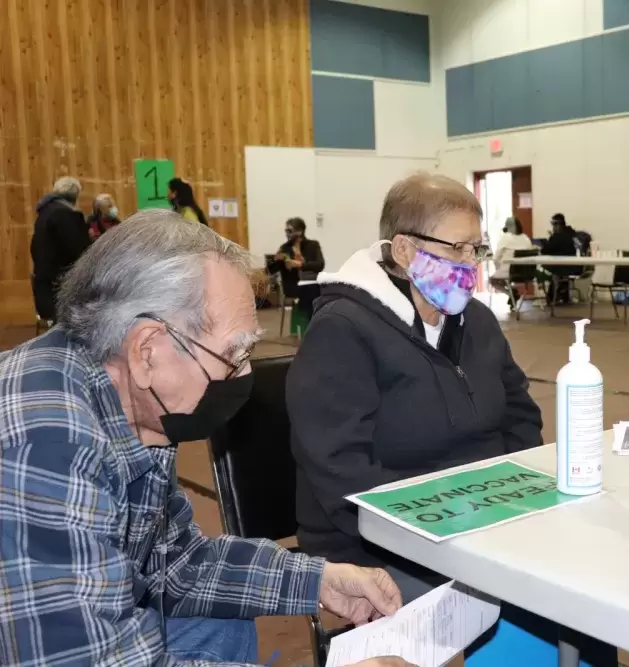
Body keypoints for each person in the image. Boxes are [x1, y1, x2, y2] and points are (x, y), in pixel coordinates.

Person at [0, 209, 411, 667]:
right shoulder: (47, 444)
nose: (245, 374)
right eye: (234, 354)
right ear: (147, 350)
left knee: (222, 622)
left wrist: (318, 580)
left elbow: (175, 563)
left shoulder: (132, 400)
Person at [288, 173, 542, 586]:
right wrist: (449, 520)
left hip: (485, 521)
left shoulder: (475, 320)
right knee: (524, 594)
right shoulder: (341, 331)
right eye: (456, 248)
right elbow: (340, 469)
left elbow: (520, 416)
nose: (470, 264)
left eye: (475, 248)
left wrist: (510, 497)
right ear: (404, 250)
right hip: (377, 543)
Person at [30, 176, 91, 321]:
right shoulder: (66, 215)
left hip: (45, 285)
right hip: (61, 288)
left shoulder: (44, 213)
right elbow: (79, 251)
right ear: (76, 195)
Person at [267, 216, 325, 321]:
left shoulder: (313, 245)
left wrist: (300, 264)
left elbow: (320, 265)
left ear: (300, 231)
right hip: (293, 285)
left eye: (289, 230)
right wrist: (276, 260)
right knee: (312, 291)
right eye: (286, 230)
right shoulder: (285, 248)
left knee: (324, 288)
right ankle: (312, 321)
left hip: (311, 282)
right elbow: (270, 270)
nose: (287, 233)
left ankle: (317, 320)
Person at [489, 216, 534, 306]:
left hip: (509, 271)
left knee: (493, 280)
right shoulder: (526, 238)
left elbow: (495, 258)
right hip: (527, 273)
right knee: (503, 278)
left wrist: (498, 269)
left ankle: (511, 293)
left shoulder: (506, 237)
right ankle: (512, 293)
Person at [540, 213, 581, 304]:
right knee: (560, 272)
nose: (553, 228)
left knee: (543, 269)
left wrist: (547, 242)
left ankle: (551, 297)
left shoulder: (557, 236)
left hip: (560, 268)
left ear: (557, 224)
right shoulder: (573, 234)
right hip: (575, 268)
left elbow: (546, 250)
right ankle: (563, 296)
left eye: (553, 225)